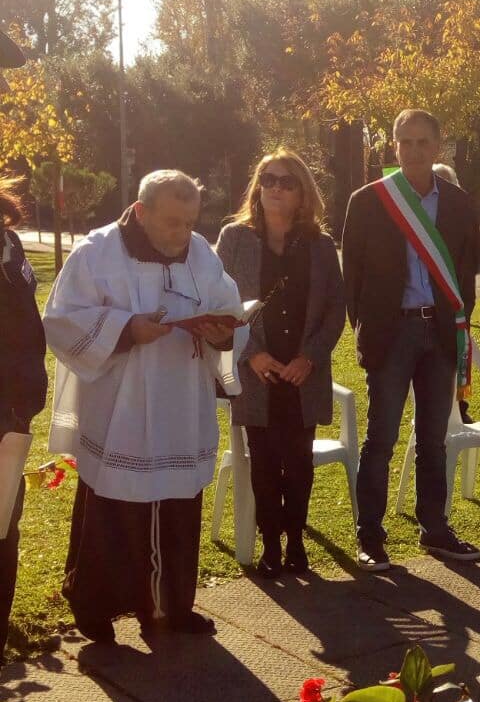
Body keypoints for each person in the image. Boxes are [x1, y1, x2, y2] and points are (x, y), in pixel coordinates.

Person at [43, 170, 245, 644]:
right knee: (115, 507)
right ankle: (94, 607)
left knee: (177, 504)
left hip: (181, 405)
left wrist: (225, 331)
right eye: (172, 222)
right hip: (122, 409)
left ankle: (172, 608)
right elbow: (61, 320)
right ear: (141, 211)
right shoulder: (97, 253)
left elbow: (229, 306)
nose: (183, 234)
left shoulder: (201, 253)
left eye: (191, 221)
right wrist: (126, 328)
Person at [342, 109, 480, 570]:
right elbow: (353, 276)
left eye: (424, 142)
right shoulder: (368, 201)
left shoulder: (460, 204)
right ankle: (370, 535)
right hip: (391, 332)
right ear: (394, 146)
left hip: (439, 333)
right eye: (406, 141)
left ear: (437, 147)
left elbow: (466, 270)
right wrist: (366, 330)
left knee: (433, 440)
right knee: (380, 438)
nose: (415, 150)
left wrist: (461, 322)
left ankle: (434, 529)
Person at [215, 152, 346, 576]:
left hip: (303, 373)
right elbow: (222, 304)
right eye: (268, 179)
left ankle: (295, 542)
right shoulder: (234, 239)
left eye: (286, 182)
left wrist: (311, 357)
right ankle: (270, 544)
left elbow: (335, 310)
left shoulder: (321, 246)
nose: (275, 187)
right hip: (258, 372)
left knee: (300, 464)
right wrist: (252, 353)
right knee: (265, 463)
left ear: (302, 192)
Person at [1, 177, 48, 660]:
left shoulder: (9, 242)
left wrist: (25, 399)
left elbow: (25, 327)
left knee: (3, 525)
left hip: (10, 410)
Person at [434, 163, 480, 424]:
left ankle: (459, 408)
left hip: (458, 304)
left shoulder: (463, 215)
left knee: (457, 356)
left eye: (446, 182)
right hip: (426, 310)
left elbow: (472, 259)